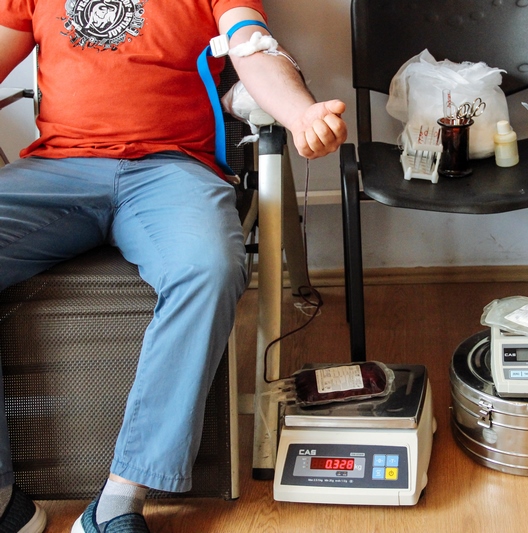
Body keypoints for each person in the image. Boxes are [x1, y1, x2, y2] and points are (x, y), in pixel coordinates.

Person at [0, 1, 347, 532]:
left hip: (169, 170)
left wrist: (300, 114)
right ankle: (5, 502)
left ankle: (119, 501)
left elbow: (253, 47)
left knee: (209, 267)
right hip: (58, 170)